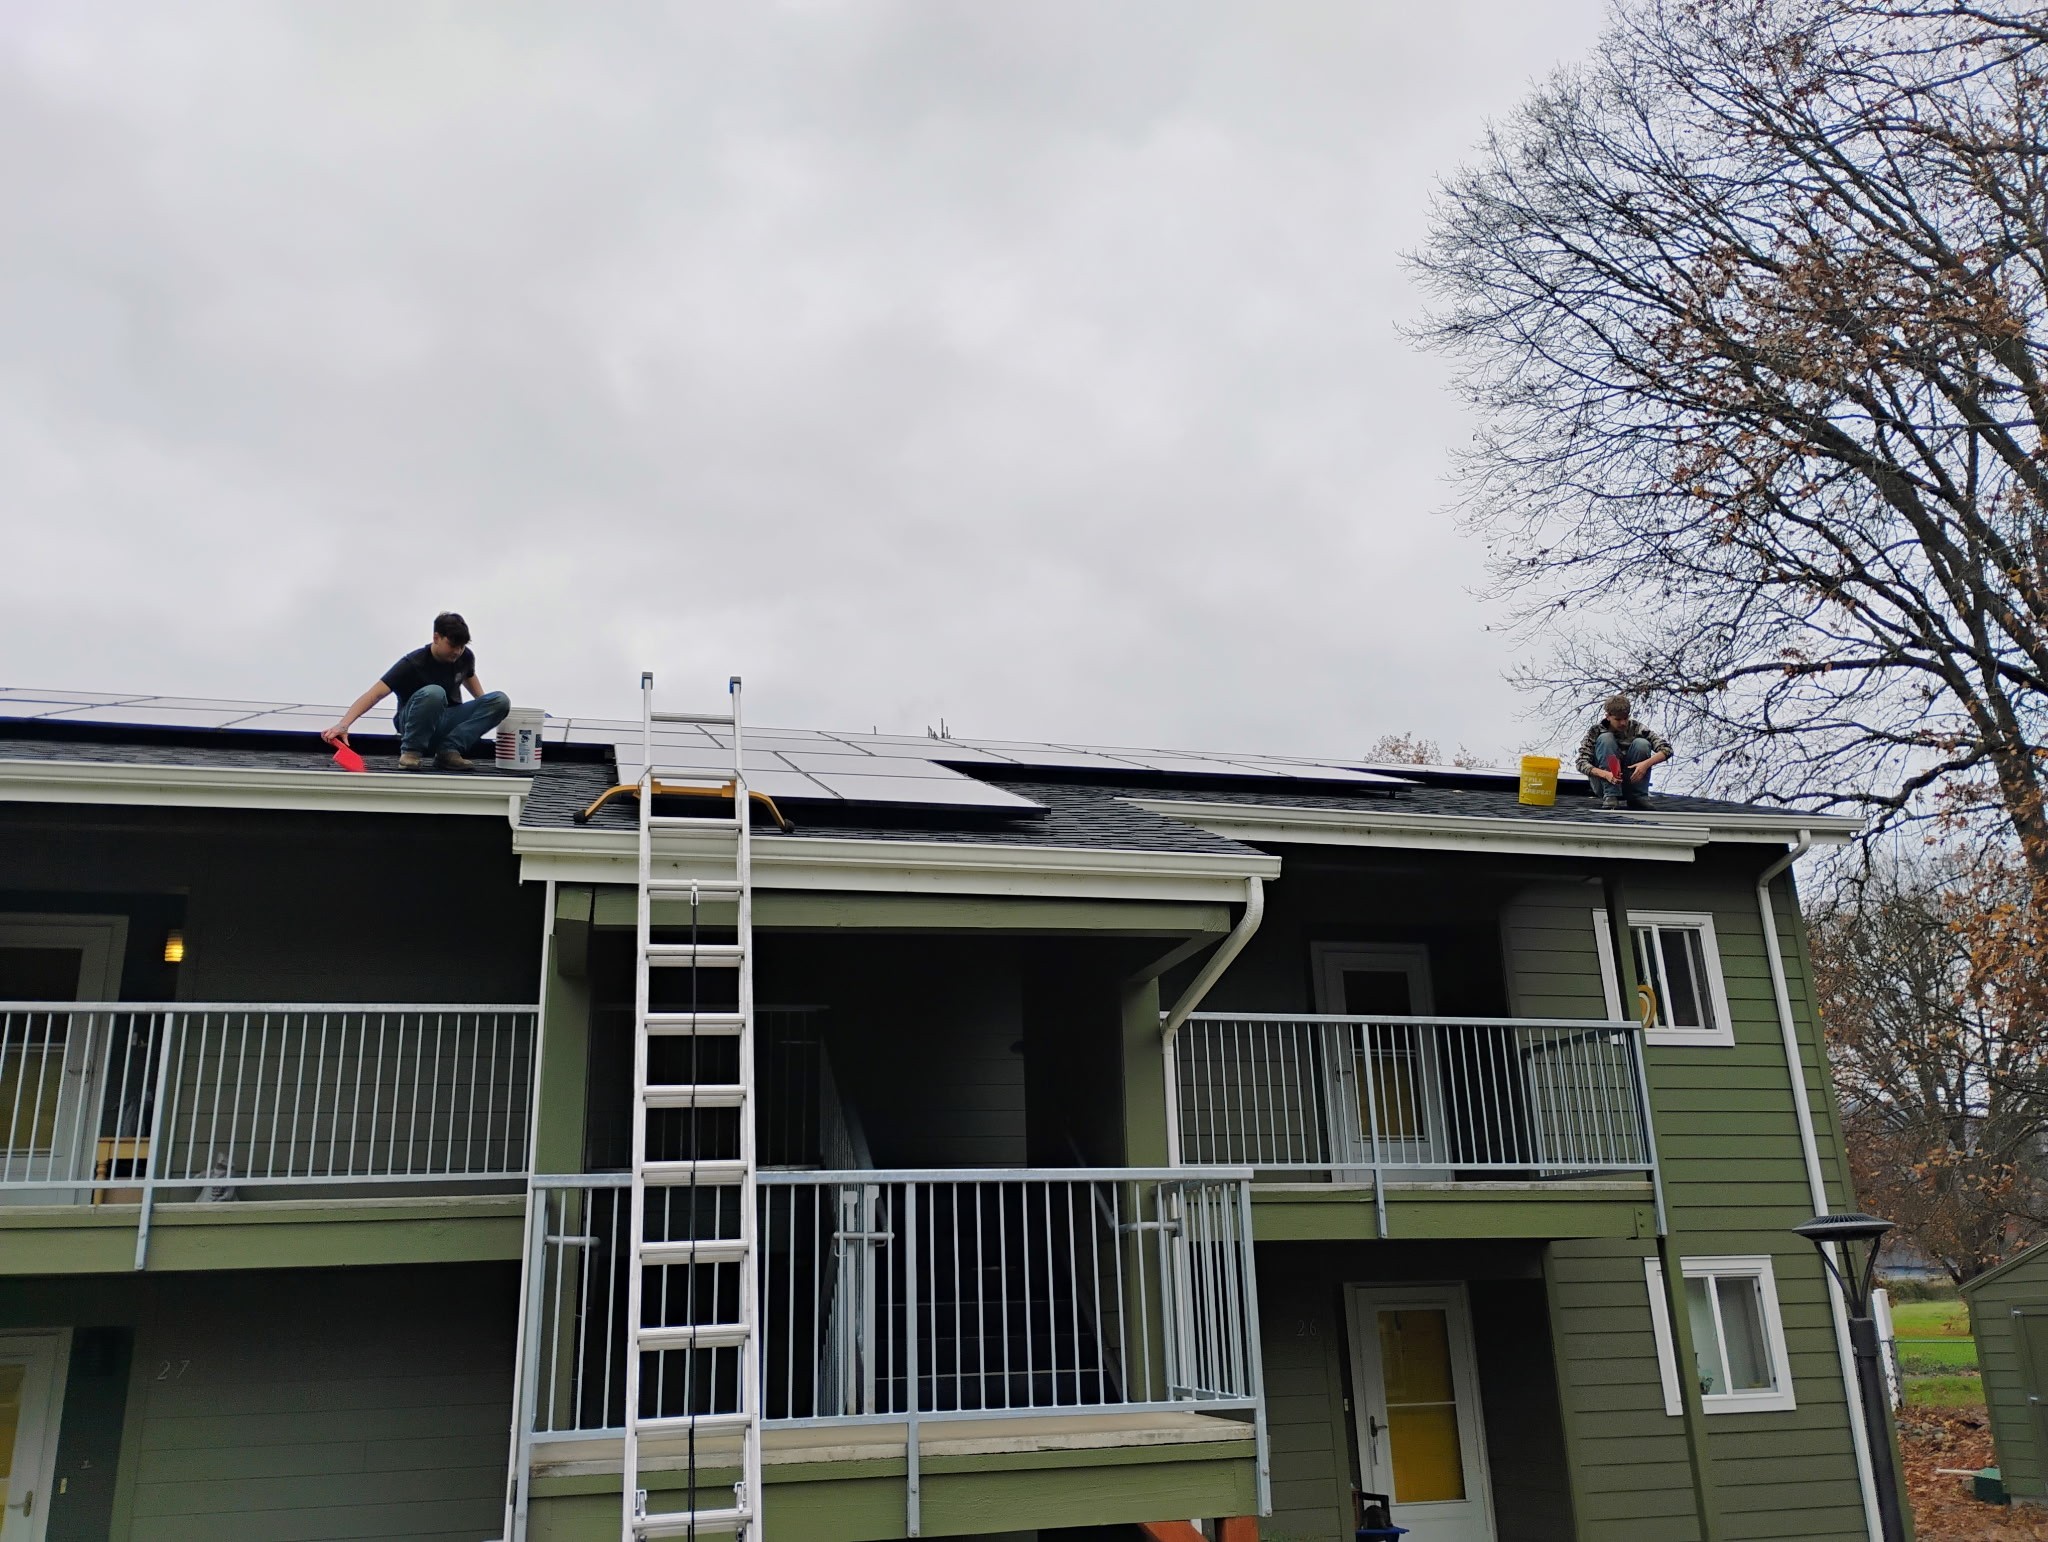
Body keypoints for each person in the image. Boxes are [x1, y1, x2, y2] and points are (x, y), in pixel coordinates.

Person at [322, 612, 510, 770]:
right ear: (436, 637)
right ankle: (411, 753)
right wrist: (344, 724)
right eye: (453, 645)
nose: (458, 651)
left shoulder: (464, 657)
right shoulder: (413, 663)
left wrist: (486, 708)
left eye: (462, 646)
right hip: (413, 723)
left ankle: (448, 752)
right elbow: (374, 694)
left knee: (499, 700)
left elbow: (469, 676)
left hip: (445, 722)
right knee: (435, 693)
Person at [1576, 694, 1672, 810]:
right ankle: (1611, 796)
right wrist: (1606, 774)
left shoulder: (1637, 728)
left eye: (1625, 718)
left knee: (1642, 743)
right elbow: (1581, 763)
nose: (1623, 723)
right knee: (1606, 739)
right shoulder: (1596, 731)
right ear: (1608, 716)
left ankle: (1638, 797)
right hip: (1604, 784)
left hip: (1630, 781)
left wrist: (1645, 765)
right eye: (1618, 719)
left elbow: (1666, 749)